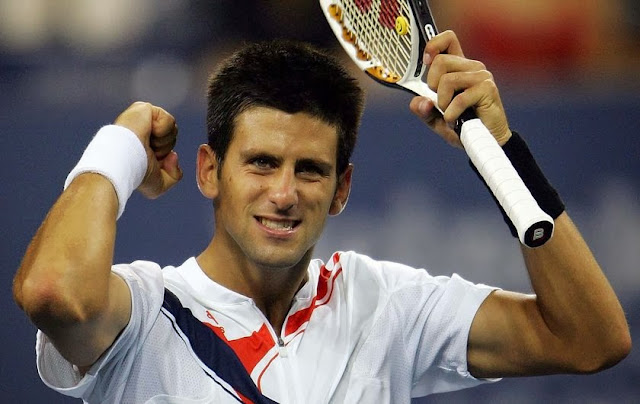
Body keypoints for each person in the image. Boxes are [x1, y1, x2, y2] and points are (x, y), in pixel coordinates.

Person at [13, 31, 630, 403]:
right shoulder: (144, 311)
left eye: (309, 170)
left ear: (342, 190)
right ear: (208, 172)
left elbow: (589, 339)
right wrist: (120, 145)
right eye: (261, 163)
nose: (284, 193)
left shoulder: (386, 306)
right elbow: (51, 291)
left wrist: (499, 153)